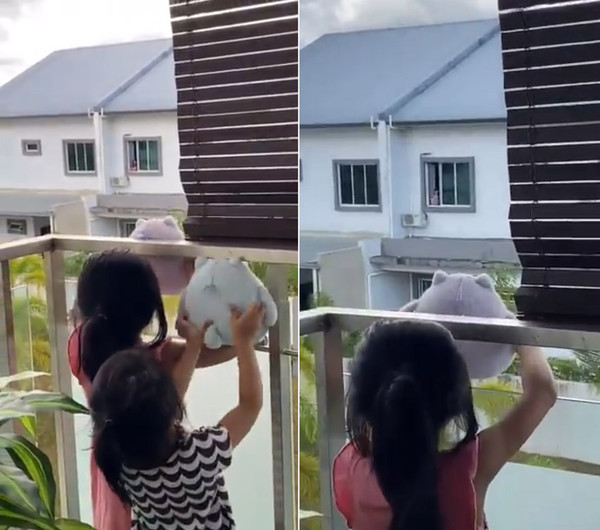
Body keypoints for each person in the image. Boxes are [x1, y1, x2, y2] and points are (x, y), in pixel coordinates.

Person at [68, 250, 238, 530]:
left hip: (111, 463)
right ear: (147, 310)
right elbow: (225, 352)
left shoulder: (79, 346)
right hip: (153, 467)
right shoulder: (157, 357)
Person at [333, 320, 557, 530]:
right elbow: (543, 391)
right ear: (452, 404)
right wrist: (519, 332)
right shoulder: (473, 467)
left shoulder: (353, 469)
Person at [89, 302, 265, 530]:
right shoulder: (201, 453)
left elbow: (154, 411)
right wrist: (244, 341)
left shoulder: (116, 456)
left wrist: (193, 348)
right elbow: (250, 405)